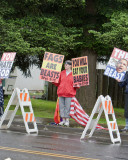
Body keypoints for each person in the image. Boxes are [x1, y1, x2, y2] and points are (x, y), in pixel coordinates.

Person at [53, 60, 79, 127]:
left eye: (66, 65)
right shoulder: (62, 73)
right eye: (65, 65)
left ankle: (67, 120)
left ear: (70, 66)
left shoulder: (74, 74)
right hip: (61, 92)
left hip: (69, 93)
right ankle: (63, 120)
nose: (65, 66)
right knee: (61, 107)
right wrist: (53, 81)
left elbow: (76, 85)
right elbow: (58, 82)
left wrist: (78, 85)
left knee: (67, 107)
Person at [116, 60, 128, 132]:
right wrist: (119, 81)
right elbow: (122, 84)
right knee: (127, 111)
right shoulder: (126, 74)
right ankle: (127, 127)